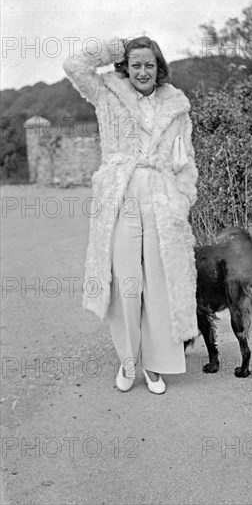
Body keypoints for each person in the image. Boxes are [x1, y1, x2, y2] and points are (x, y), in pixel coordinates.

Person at [63, 35, 199, 394]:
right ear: (125, 67)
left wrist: (181, 200)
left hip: (161, 196)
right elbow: (75, 65)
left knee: (159, 280)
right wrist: (118, 45)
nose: (142, 71)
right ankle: (127, 360)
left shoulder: (176, 107)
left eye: (149, 65)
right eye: (135, 64)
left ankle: (155, 366)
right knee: (126, 282)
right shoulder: (108, 93)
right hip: (121, 194)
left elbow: (186, 164)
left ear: (159, 68)